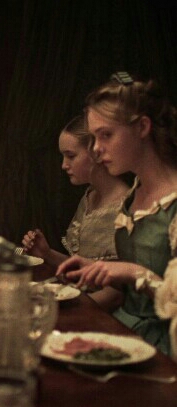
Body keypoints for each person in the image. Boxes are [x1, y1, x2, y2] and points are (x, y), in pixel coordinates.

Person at [57, 72, 177, 355]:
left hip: (163, 346)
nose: (97, 149)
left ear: (142, 127)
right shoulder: (134, 194)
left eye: (106, 135)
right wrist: (97, 268)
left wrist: (131, 272)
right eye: (94, 137)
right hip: (123, 330)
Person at [22, 115, 130, 310]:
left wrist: (68, 313)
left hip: (107, 314)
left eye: (71, 156)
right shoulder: (89, 196)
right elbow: (85, 268)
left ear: (96, 153)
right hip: (84, 299)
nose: (64, 165)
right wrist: (47, 253)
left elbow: (115, 294)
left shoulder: (125, 206)